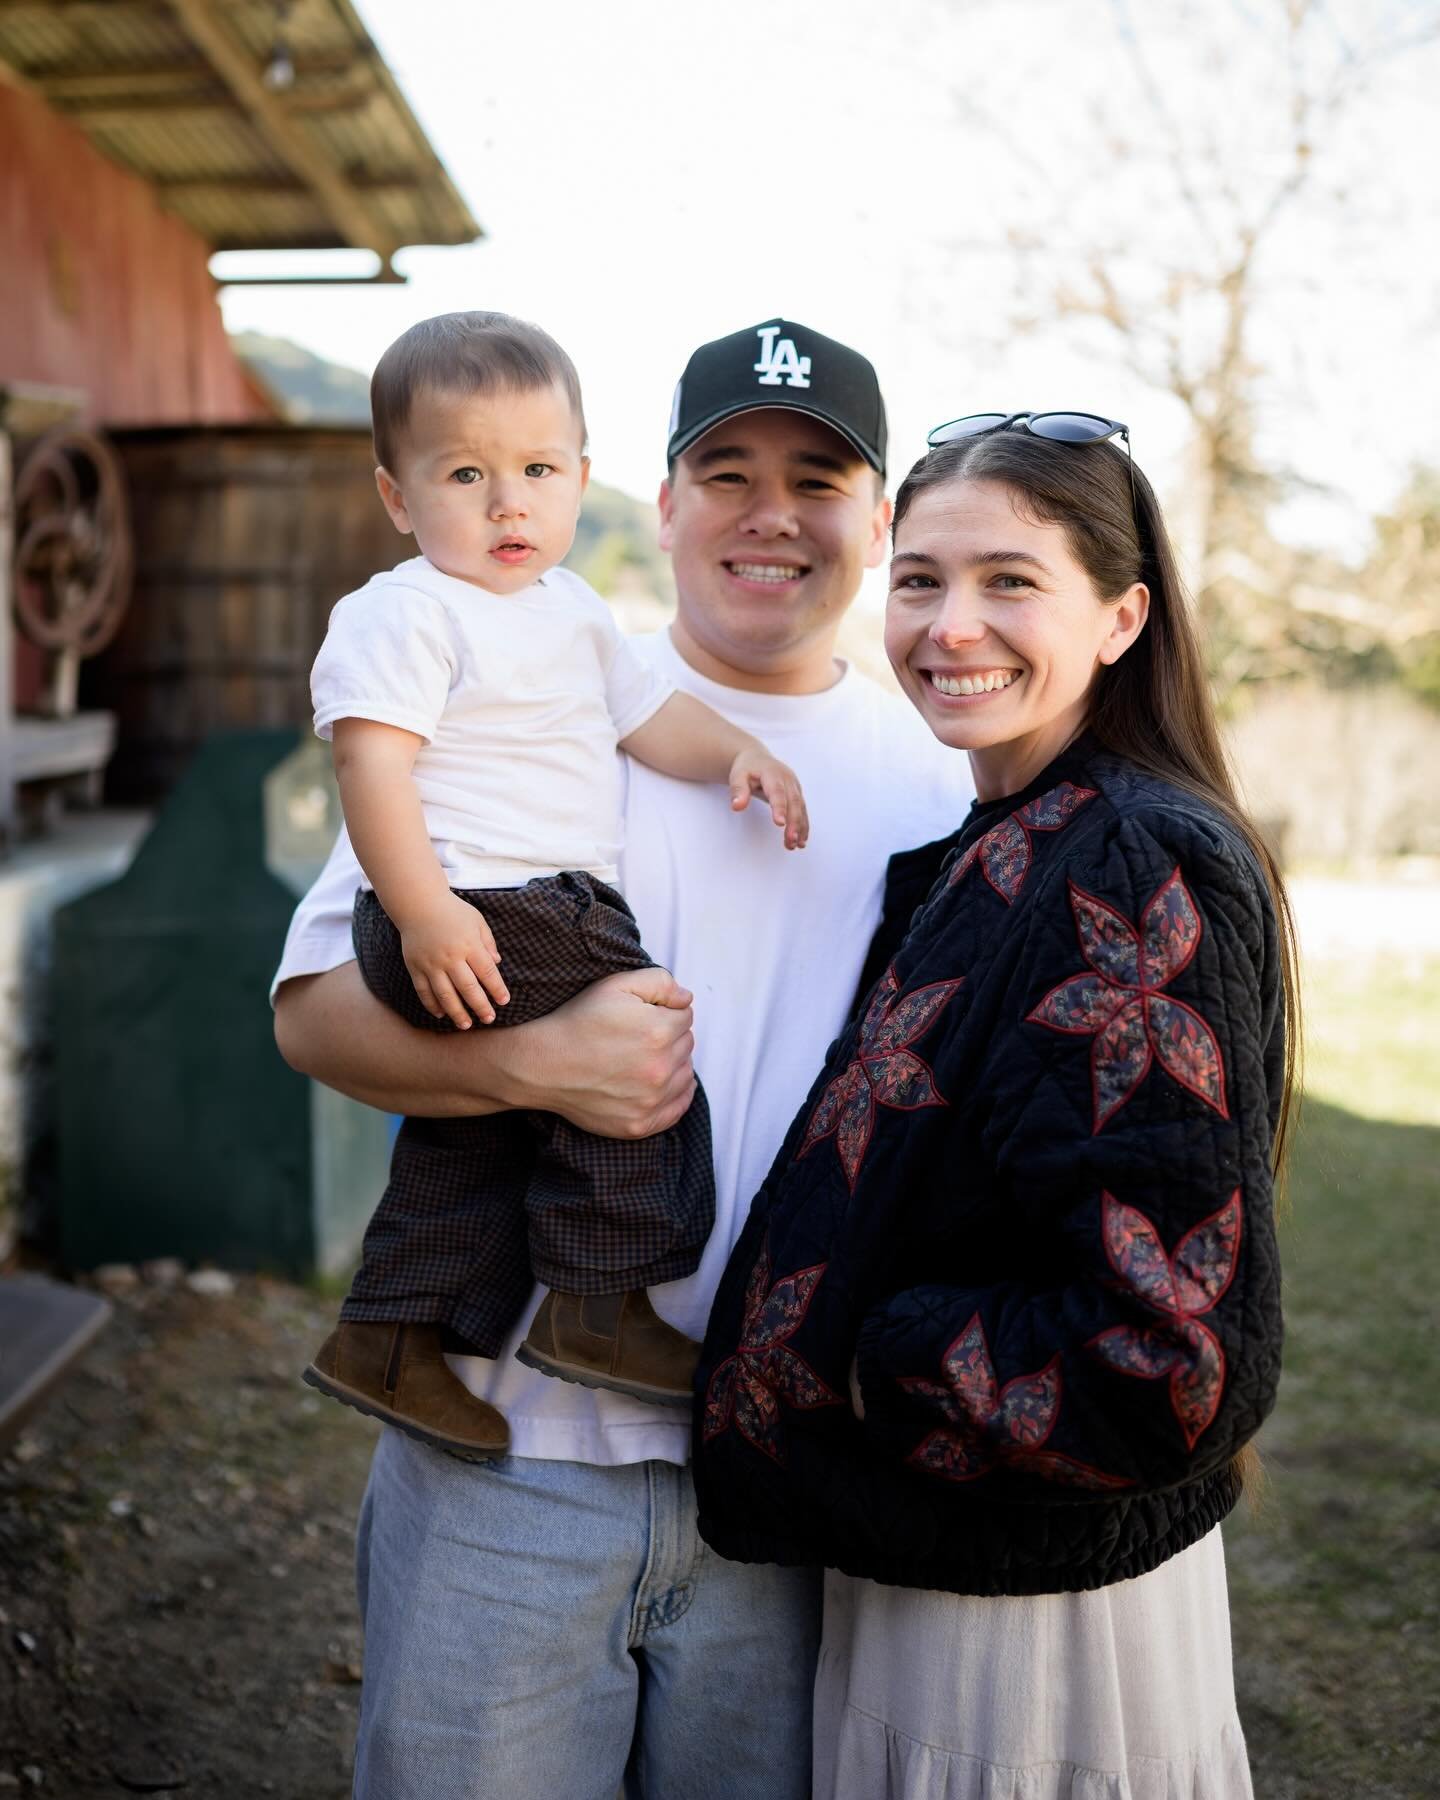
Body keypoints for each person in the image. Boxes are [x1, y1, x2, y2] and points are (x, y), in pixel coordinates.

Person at [272, 319, 976, 1799]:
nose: (770, 514)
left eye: (818, 480)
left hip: (775, 1483)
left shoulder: (938, 785)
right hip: (508, 1477)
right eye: (727, 474)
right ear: (657, 504)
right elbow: (312, 1015)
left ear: (878, 523)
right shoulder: (518, 688)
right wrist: (538, 1068)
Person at [694, 413, 1298, 1798]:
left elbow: (1167, 1356)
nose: (950, 625)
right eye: (919, 579)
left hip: (1029, 1635)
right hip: (944, 1551)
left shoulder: (1124, 861)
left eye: (1010, 581)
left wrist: (866, 1360)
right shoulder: (1010, 842)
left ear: (1121, 617)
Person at [302, 311, 810, 1460]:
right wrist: (425, 912)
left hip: (503, 911)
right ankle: (598, 1304)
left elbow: (652, 716)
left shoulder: (574, 611)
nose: (507, 505)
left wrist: (736, 750)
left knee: (476, 1135)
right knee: (642, 1050)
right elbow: (369, 766)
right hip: (482, 903)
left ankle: (390, 1335)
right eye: (465, 475)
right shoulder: (406, 611)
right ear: (396, 497)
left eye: (537, 471)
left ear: (583, 477)